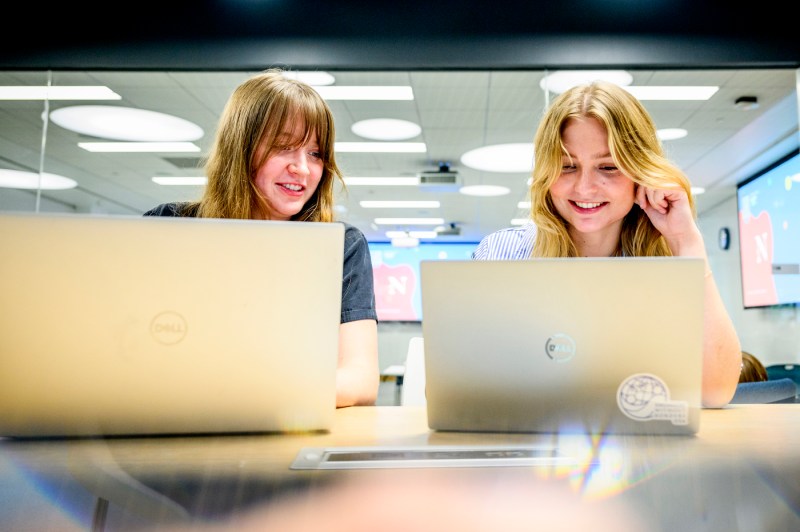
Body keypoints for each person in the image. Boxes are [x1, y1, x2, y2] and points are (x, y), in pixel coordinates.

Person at [472, 81, 742, 408]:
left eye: (609, 167)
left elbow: (714, 393)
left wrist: (686, 243)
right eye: (567, 166)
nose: (585, 188)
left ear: (640, 172)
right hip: (526, 446)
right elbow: (457, 391)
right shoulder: (504, 256)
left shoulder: (665, 267)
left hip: (643, 452)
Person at [144, 69, 379, 408]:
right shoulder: (169, 227)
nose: (302, 168)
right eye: (284, 147)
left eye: (315, 153)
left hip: (286, 429)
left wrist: (243, 396)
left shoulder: (341, 245)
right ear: (241, 148)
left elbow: (360, 380)